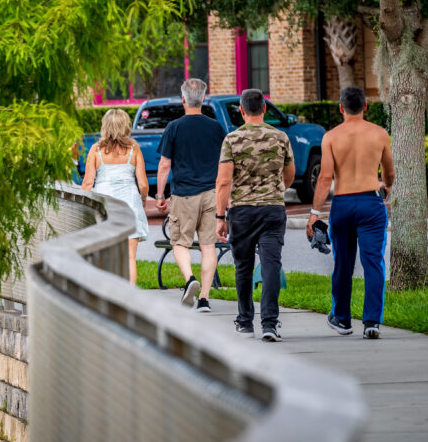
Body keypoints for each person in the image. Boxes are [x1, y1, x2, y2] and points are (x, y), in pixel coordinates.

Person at [306, 86, 395, 339]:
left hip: (342, 205)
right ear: (365, 106)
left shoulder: (331, 137)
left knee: (343, 264)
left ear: (341, 107)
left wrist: (314, 213)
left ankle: (343, 319)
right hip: (371, 204)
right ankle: (371, 322)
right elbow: (389, 172)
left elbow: (324, 179)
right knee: (374, 263)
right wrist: (386, 186)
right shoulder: (379, 134)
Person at [215, 89, 295, 342]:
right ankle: (270, 323)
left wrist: (220, 216)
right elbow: (289, 173)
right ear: (264, 109)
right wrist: (277, 189)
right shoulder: (280, 137)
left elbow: (223, 182)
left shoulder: (232, 139)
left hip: (242, 212)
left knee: (244, 266)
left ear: (241, 109)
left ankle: (245, 321)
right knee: (271, 264)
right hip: (272, 209)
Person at [155, 78, 225, 312]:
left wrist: (160, 195)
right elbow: (225, 163)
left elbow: (165, 165)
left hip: (184, 195)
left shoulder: (174, 127)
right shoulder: (216, 127)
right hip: (211, 194)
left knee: (179, 243)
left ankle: (189, 279)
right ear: (203, 99)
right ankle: (204, 298)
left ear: (183, 99)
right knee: (208, 246)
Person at [81, 109, 150, 284]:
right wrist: (142, 200)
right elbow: (143, 184)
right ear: (124, 126)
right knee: (130, 257)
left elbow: (88, 184)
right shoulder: (134, 149)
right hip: (130, 205)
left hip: (105, 205)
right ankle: (129, 297)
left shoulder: (96, 150)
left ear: (106, 126)